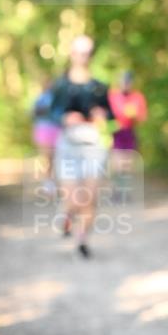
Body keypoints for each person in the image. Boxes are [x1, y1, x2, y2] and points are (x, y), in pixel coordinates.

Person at [50, 35, 115, 258]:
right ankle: (67, 215)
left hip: (93, 144)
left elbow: (111, 114)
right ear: (71, 54)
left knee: (90, 197)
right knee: (73, 198)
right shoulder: (61, 85)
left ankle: (82, 239)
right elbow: (52, 112)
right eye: (78, 52)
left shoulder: (99, 86)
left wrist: (102, 115)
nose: (82, 57)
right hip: (68, 144)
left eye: (86, 52)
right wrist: (65, 118)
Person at [31, 76, 60, 195]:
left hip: (55, 130)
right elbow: (34, 113)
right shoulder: (41, 98)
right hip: (44, 130)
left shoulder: (57, 98)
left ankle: (52, 181)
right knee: (46, 157)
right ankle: (47, 182)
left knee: (55, 157)